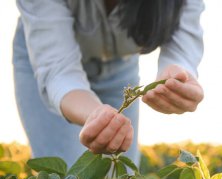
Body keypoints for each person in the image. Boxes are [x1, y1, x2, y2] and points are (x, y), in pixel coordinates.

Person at [13, 0, 205, 167]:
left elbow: (181, 52)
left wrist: (178, 77)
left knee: (121, 178)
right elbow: (59, 74)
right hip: (43, 60)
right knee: (66, 177)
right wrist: (95, 115)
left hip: (121, 65)